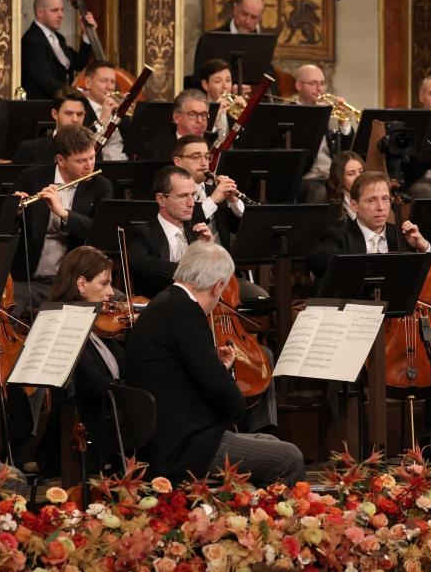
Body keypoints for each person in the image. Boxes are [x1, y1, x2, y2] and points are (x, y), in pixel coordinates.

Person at [308, 171, 431, 465]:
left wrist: (423, 246)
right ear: (354, 205)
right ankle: (354, 451)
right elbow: (318, 259)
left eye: (384, 199)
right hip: (358, 331)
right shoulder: (339, 234)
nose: (380, 207)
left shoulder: (401, 237)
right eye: (371, 200)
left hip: (404, 329)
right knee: (341, 362)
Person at [128, 241, 305, 486]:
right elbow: (227, 399)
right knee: (289, 458)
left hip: (173, 433)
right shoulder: (184, 313)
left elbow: (192, 376)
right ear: (219, 286)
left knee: (272, 445)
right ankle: (268, 522)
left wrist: (220, 369)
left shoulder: (165, 302)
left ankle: (248, 518)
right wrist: (228, 390)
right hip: (182, 447)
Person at [0, 125, 114, 317]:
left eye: (92, 157)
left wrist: (63, 213)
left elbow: (99, 232)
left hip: (76, 282)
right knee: (6, 314)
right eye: (81, 160)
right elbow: (2, 229)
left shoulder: (101, 186)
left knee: (119, 305)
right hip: (27, 281)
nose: (89, 165)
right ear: (60, 160)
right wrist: (14, 211)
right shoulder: (31, 178)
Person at [34, 246, 124, 476]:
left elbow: (127, 372)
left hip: (108, 431)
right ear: (82, 285)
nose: (112, 292)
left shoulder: (103, 331)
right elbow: (94, 386)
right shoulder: (64, 327)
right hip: (75, 442)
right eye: (104, 283)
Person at [128, 165, 212, 297]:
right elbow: (137, 262)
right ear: (161, 199)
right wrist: (184, 270)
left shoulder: (196, 230)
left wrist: (206, 249)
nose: (191, 203)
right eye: (183, 196)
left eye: (193, 195)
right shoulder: (144, 233)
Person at [171, 135, 244, 248]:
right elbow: (185, 224)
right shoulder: (170, 194)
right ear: (178, 162)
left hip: (222, 261)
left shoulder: (216, 191)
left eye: (207, 157)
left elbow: (241, 229)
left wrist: (234, 201)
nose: (204, 163)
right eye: (196, 157)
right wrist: (213, 200)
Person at [21, 0, 95, 101]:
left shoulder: (58, 38)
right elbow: (44, 79)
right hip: (43, 106)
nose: (61, 15)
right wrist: (75, 92)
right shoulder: (32, 40)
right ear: (40, 12)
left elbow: (79, 63)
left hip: (61, 103)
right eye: (55, 10)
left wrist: (87, 35)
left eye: (62, 10)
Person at [297, 64, 355, 204]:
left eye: (322, 83)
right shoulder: (290, 112)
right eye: (313, 83)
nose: (319, 89)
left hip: (332, 175)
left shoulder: (329, 113)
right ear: (299, 86)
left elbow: (348, 150)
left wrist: (344, 122)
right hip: (306, 176)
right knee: (321, 193)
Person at [13, 87, 89, 164]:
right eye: (69, 113)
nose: (75, 119)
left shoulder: (91, 149)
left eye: (79, 114)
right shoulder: (29, 150)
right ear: (55, 114)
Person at [134, 88, 211, 161]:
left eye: (203, 114)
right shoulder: (153, 150)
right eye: (192, 114)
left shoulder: (213, 149)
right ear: (176, 117)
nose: (200, 120)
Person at [83, 60, 128, 161]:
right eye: (103, 81)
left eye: (112, 82)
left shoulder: (118, 107)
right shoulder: (81, 110)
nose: (109, 87)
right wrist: (103, 118)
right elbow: (83, 147)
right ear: (88, 83)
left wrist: (125, 114)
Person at [325, 150, 365, 219]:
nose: (358, 177)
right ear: (339, 178)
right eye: (351, 174)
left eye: (361, 172)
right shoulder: (332, 209)